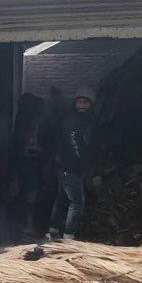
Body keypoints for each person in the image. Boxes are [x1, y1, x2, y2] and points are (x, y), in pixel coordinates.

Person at [47, 88, 94, 241]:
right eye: (79, 102)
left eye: (85, 103)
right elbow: (75, 145)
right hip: (71, 168)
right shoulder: (73, 121)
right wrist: (83, 164)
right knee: (77, 203)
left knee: (62, 199)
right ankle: (68, 235)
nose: (82, 105)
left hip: (65, 167)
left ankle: (53, 231)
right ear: (74, 103)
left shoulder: (83, 120)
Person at [13, 93, 48, 237]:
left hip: (24, 161)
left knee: (27, 192)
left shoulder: (21, 120)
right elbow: (32, 144)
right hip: (29, 162)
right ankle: (28, 224)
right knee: (31, 192)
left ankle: (25, 223)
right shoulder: (32, 121)